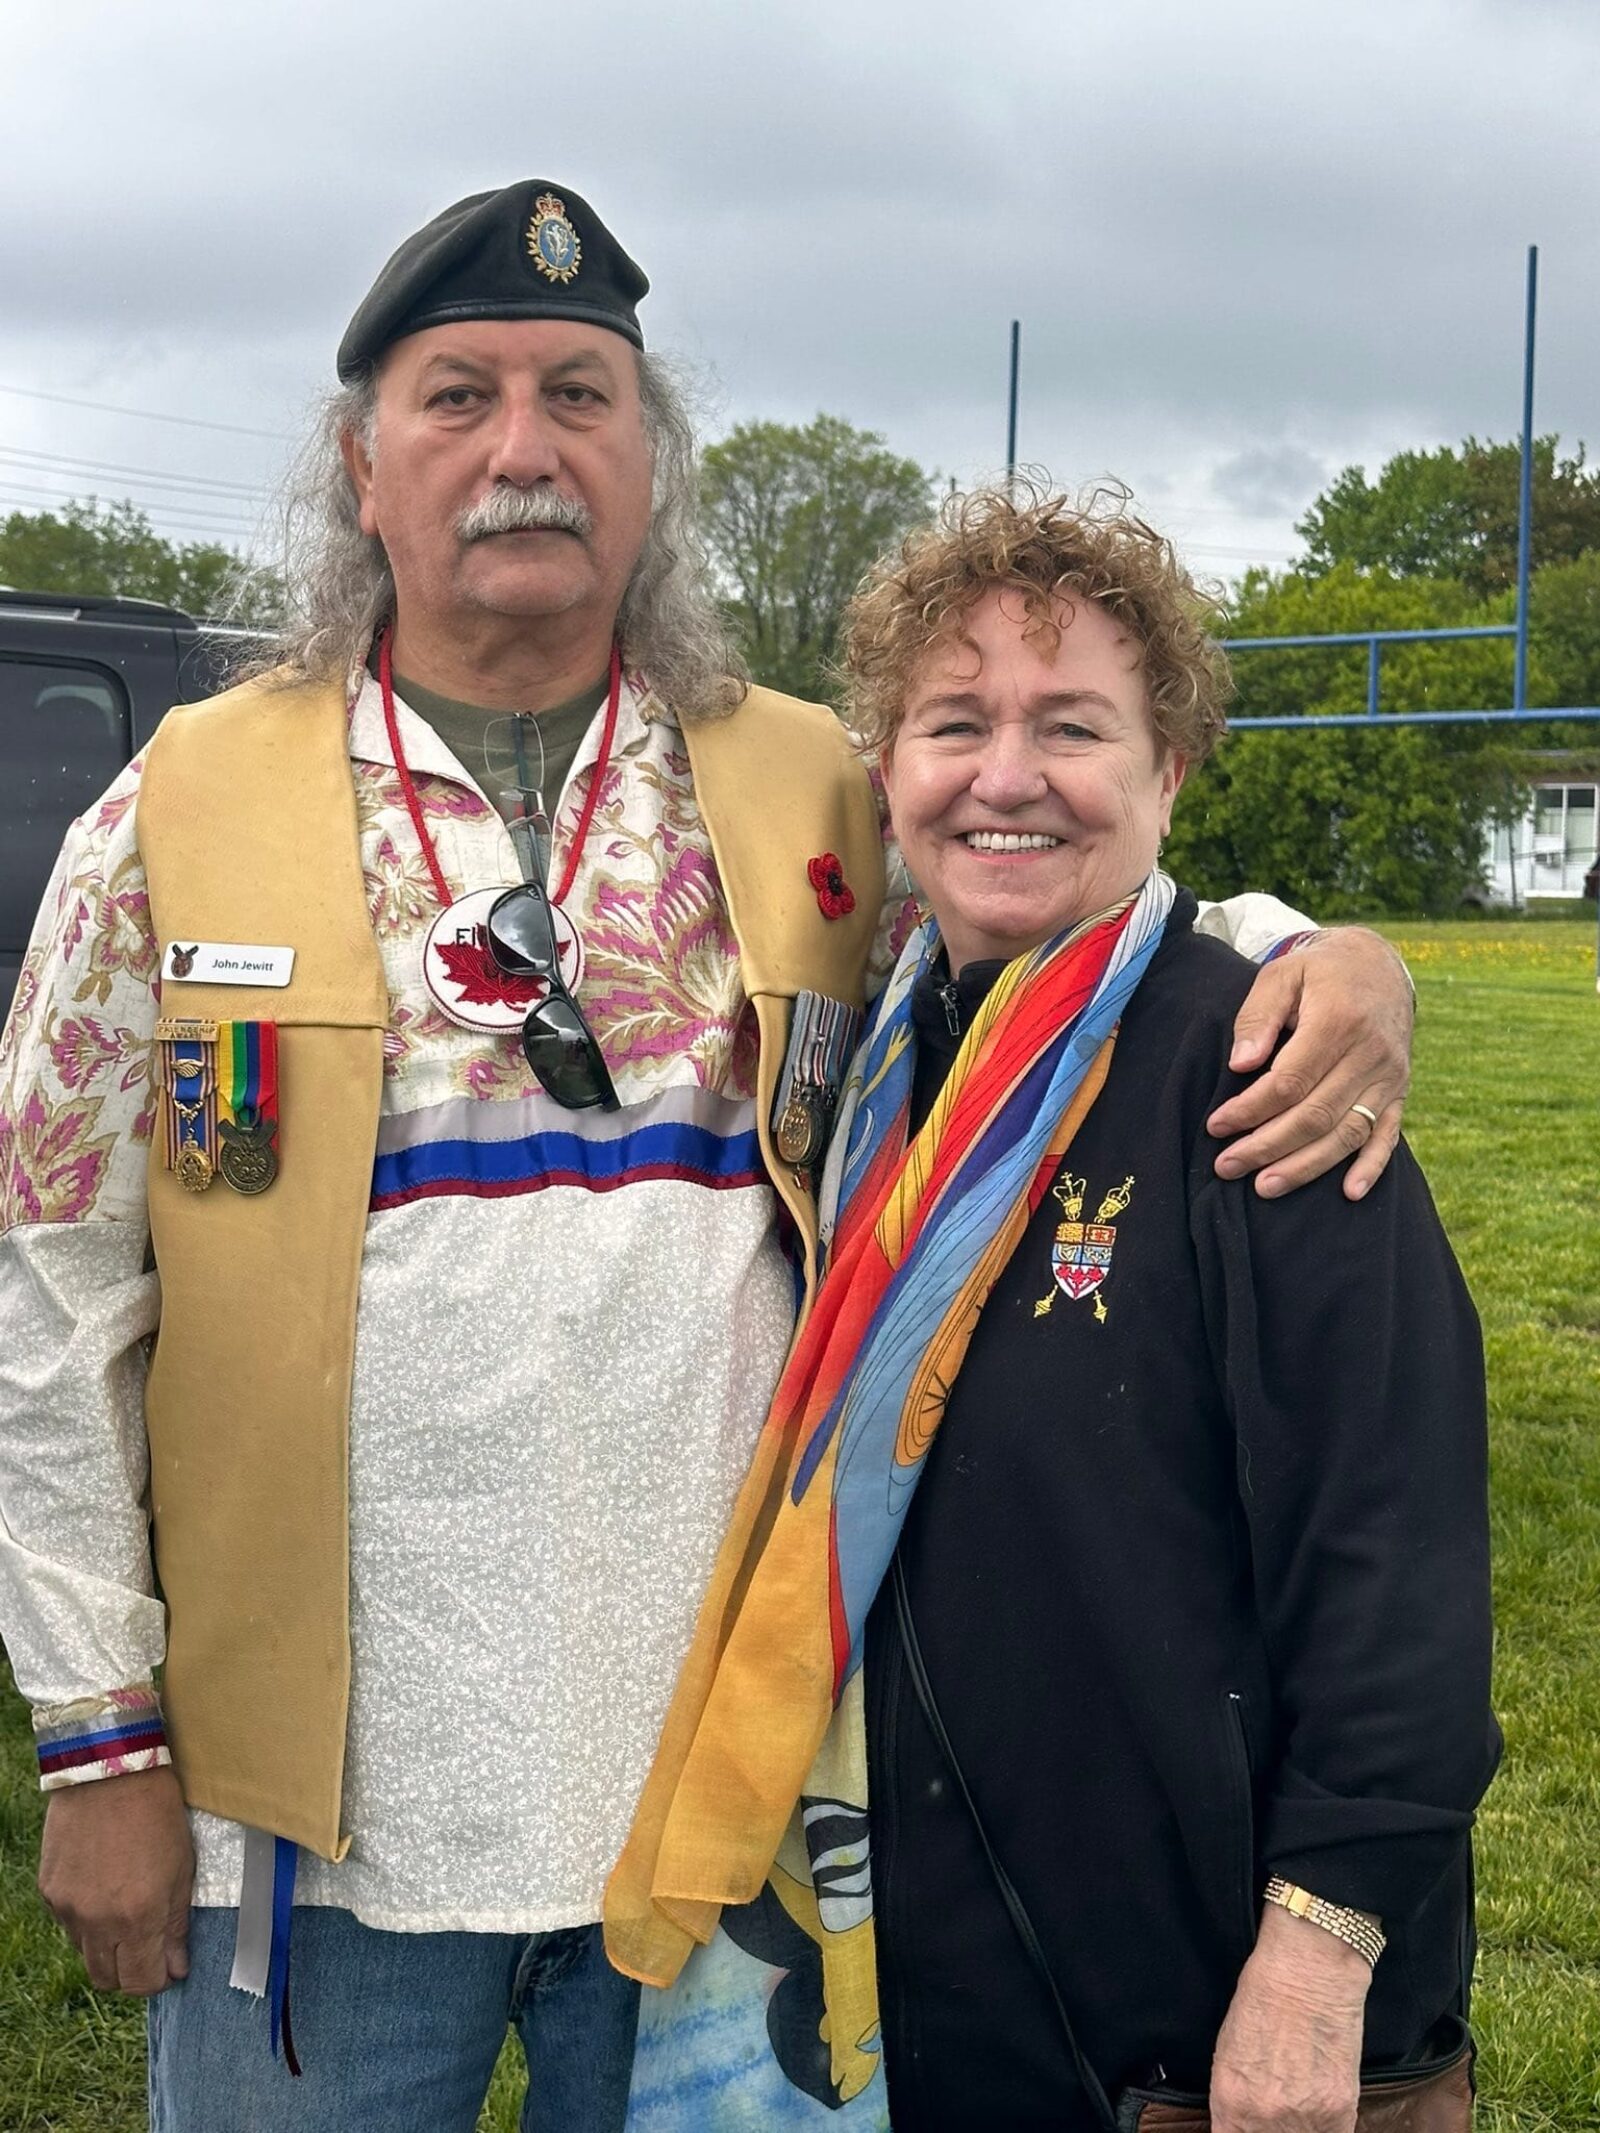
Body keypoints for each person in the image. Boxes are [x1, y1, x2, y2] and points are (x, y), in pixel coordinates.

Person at [0, 178, 1413, 2133]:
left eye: (580, 395)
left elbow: (1054, 917)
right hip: (308, 1830)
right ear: (356, 460)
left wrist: (1306, 946)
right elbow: (52, 1301)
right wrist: (97, 1741)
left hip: (724, 1819)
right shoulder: (172, 811)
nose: (521, 448)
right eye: (456, 394)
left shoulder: (804, 780)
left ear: (648, 463)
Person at [606, 486, 1497, 2133]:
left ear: (1168, 774)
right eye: (956, 722)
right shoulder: (876, 1073)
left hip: (1206, 2031)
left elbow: (1398, 1565)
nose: (1005, 775)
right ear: (890, 773)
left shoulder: (1266, 1078)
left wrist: (1318, 1957)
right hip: (938, 1998)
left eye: (1072, 725)